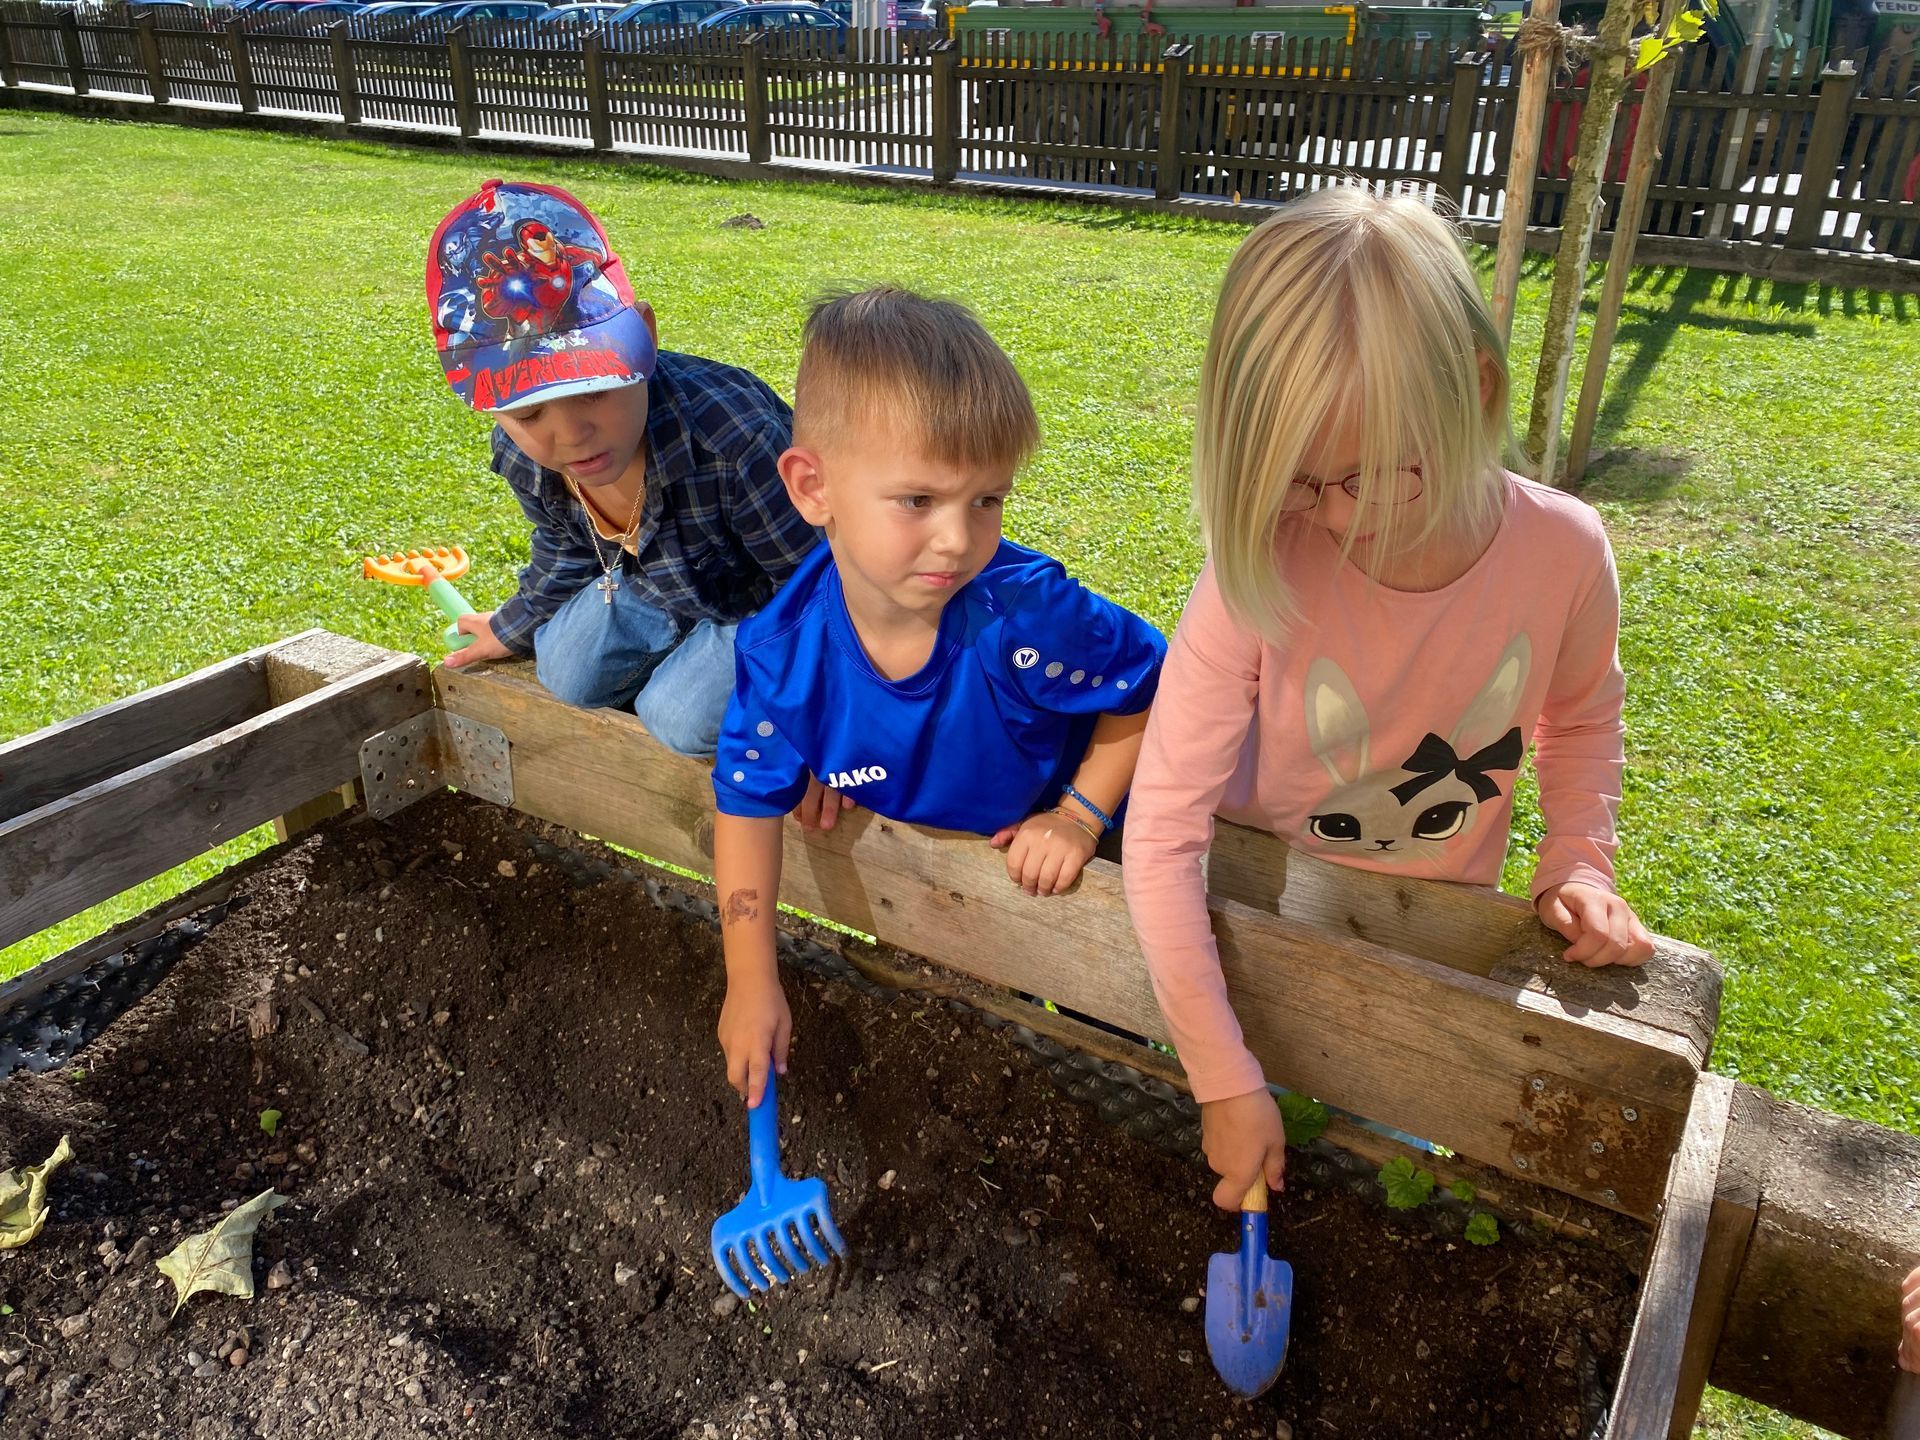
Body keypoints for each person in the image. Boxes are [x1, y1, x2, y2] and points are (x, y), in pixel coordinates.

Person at [1122, 186, 1656, 1212]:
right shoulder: (1261, 565)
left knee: (1387, 1161)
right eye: (1294, 479)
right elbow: (1163, 833)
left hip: (1425, 929)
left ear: (1477, 394)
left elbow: (1582, 716)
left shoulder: (1564, 554)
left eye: (1365, 477)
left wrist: (1578, 858)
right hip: (1247, 922)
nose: (1325, 517)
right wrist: (1221, 1076)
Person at [710, 288, 1167, 1104]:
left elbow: (1147, 688)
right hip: (970, 884)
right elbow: (746, 801)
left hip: (1090, 855)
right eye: (918, 501)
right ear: (813, 488)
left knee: (1112, 1039)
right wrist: (750, 983)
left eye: (987, 499)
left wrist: (1079, 815)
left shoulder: (1023, 615)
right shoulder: (782, 659)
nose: (958, 540)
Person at [424, 178, 818, 757]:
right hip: (660, 584)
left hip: (766, 602)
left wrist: (820, 731)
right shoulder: (524, 458)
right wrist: (510, 627)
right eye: (529, 412)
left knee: (678, 717)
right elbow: (565, 548)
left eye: (594, 390)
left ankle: (708, 678)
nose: (571, 434)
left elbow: (816, 588)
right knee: (564, 669)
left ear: (645, 340)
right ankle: (680, 644)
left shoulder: (733, 440)